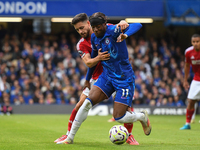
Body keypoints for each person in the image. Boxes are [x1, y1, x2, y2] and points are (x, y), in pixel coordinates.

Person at [61, 12, 151, 144]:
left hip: (123, 79)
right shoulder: (93, 38)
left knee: (119, 116)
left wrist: (125, 33)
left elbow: (138, 25)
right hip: (106, 77)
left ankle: (141, 117)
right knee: (85, 103)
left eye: (98, 26)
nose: (96, 29)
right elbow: (93, 60)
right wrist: (87, 79)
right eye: (94, 27)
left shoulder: (113, 31)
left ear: (104, 24)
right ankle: (70, 138)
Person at [180, 34, 200, 130]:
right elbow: (187, 66)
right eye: (194, 42)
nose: (196, 44)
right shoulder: (188, 52)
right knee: (191, 101)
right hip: (196, 79)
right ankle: (187, 123)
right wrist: (185, 80)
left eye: (198, 41)